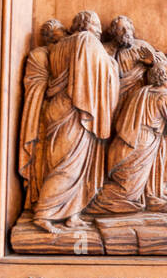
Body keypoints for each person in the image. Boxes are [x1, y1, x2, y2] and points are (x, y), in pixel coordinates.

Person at [31, 17, 119, 230]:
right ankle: (43, 214)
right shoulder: (84, 40)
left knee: (70, 164)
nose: (99, 33)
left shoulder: (59, 47)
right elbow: (92, 72)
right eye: (97, 28)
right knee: (67, 166)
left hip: (59, 107)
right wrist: (112, 63)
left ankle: (71, 214)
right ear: (90, 27)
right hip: (75, 108)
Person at [92, 55, 167, 214]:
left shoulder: (146, 91)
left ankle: (155, 190)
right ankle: (94, 200)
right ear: (166, 76)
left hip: (134, 142)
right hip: (139, 146)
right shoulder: (163, 95)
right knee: (125, 196)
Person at [18, 19, 56, 210]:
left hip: (53, 111)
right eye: (58, 34)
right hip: (42, 111)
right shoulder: (39, 55)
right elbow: (37, 84)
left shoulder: (55, 53)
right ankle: (38, 200)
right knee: (41, 158)